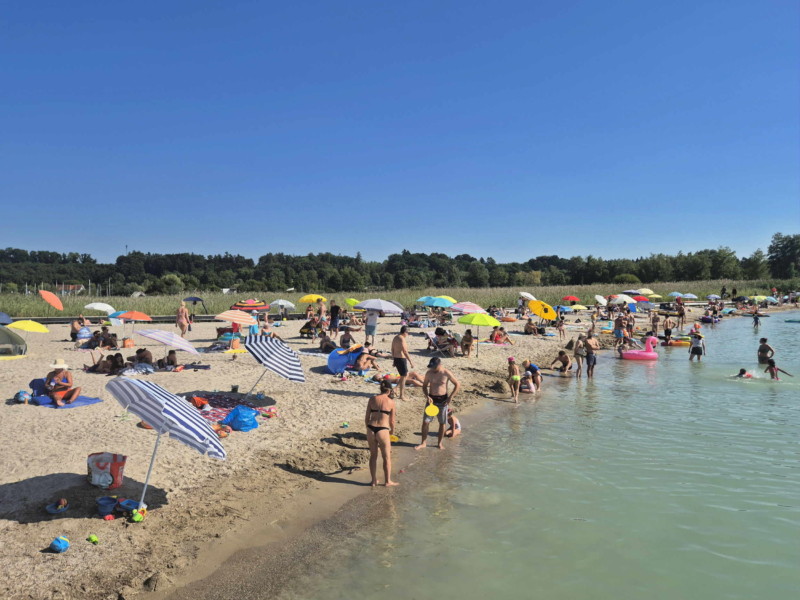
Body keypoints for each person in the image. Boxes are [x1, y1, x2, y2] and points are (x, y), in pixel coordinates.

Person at [415, 357, 461, 450]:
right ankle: (423, 443)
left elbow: (457, 384)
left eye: (434, 367)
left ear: (439, 365)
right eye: (431, 367)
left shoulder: (446, 373)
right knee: (425, 422)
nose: (432, 369)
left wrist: (450, 397)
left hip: (443, 402)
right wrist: (427, 396)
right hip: (431, 401)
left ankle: (439, 443)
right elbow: (424, 386)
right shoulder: (429, 373)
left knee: (442, 423)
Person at [364, 379, 398, 487]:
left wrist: (368, 428)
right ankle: (388, 481)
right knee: (386, 457)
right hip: (382, 429)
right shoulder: (391, 402)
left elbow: (367, 417)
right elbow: (392, 421)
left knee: (373, 456)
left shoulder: (372, 399)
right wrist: (392, 431)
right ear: (389, 390)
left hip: (371, 428)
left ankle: (373, 481)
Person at [390, 326, 415, 400]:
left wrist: (394, 360)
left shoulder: (395, 337)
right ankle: (402, 395)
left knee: (404, 375)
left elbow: (392, 349)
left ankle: (395, 388)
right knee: (404, 377)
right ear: (405, 332)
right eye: (408, 333)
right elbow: (405, 351)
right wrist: (411, 361)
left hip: (397, 358)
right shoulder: (402, 338)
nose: (408, 335)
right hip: (401, 359)